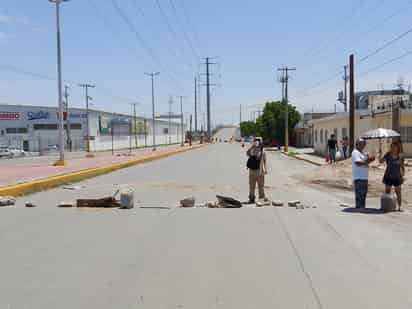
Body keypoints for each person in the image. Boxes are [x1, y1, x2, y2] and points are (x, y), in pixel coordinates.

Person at [379, 141, 405, 211]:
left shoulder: (400, 156)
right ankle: (387, 206)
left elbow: (402, 166)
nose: (393, 148)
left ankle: (399, 207)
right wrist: (380, 153)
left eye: (394, 147)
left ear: (397, 148)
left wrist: (403, 174)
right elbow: (380, 161)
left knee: (398, 192)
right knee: (387, 192)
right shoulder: (388, 154)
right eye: (392, 147)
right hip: (388, 176)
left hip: (397, 176)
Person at [352, 138, 375, 209]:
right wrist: (368, 160)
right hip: (359, 178)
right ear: (357, 144)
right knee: (360, 196)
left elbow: (366, 161)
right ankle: (359, 210)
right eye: (361, 144)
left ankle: (361, 209)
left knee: (363, 196)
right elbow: (358, 163)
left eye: (364, 144)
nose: (363, 145)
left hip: (364, 177)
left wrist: (371, 158)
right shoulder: (355, 152)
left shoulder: (363, 153)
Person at [247, 138, 267, 203]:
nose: (257, 142)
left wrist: (265, 169)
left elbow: (264, 160)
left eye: (258, 141)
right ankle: (252, 198)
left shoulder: (262, 151)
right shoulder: (252, 150)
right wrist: (252, 146)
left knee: (260, 186)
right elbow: (247, 153)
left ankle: (260, 198)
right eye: (256, 141)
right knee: (252, 186)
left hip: (259, 171)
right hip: (253, 171)